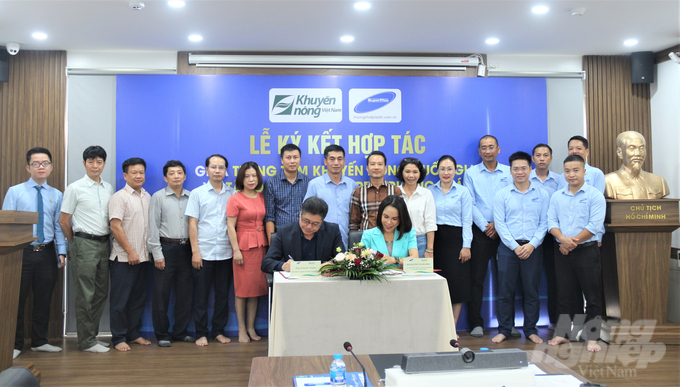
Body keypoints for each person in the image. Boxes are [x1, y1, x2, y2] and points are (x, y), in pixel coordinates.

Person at [3, 147, 66, 360]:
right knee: (17, 299)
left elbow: (58, 226)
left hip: (47, 252)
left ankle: (40, 341)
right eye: (36, 163)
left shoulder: (57, 195)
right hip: (21, 252)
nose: (41, 167)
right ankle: (13, 344)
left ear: (51, 167)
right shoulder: (15, 191)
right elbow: (7, 224)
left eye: (45, 163)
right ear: (28, 167)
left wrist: (62, 252)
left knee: (43, 298)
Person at [547, 155, 606, 353]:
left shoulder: (595, 195)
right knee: (564, 295)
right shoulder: (557, 196)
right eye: (567, 171)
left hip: (587, 251)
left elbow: (594, 225)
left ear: (584, 171)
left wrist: (571, 242)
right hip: (562, 251)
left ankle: (593, 337)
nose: (571, 175)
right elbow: (551, 223)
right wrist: (562, 240)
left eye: (575, 170)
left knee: (592, 296)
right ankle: (563, 334)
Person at [59, 145, 113, 353]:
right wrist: (76, 242)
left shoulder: (108, 188)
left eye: (99, 161)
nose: (95, 165)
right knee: (85, 293)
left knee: (100, 292)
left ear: (104, 164)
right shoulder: (75, 188)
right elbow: (64, 221)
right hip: (84, 243)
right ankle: (86, 341)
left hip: (104, 243)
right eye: (91, 161)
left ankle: (93, 336)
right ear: (84, 163)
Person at [492, 152, 549, 345]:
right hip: (508, 248)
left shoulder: (542, 194)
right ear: (510, 171)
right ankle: (504, 330)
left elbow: (545, 223)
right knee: (505, 291)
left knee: (531, 291)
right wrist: (516, 247)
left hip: (533, 247)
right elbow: (500, 224)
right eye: (515, 168)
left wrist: (532, 244)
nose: (520, 172)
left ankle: (531, 330)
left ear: (530, 169)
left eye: (524, 168)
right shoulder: (502, 195)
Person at [462, 135, 513, 338]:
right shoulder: (471, 173)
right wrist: (485, 226)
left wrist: (499, 226)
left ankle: (507, 324)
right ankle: (476, 323)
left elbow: (512, 201)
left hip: (505, 232)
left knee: (507, 279)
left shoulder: (509, 173)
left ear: (498, 149)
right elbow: (470, 203)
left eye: (491, 147)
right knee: (477, 279)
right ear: (479, 151)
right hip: (480, 232)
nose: (487, 151)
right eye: (483, 148)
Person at [185, 154, 234, 346]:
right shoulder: (197, 193)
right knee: (201, 296)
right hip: (203, 253)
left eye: (221, 167)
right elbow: (192, 224)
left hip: (225, 252)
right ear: (206, 170)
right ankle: (201, 333)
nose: (217, 170)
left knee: (222, 296)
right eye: (213, 167)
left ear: (225, 171)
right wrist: (195, 252)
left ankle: (218, 331)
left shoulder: (232, 194)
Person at [147, 160, 194, 348]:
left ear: (184, 176)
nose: (176, 176)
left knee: (185, 294)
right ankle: (162, 334)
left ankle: (180, 332)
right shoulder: (158, 197)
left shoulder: (192, 197)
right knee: (161, 294)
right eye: (172, 173)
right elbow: (153, 226)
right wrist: (157, 253)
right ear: (166, 177)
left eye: (180, 172)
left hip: (187, 249)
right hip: (166, 248)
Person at [108, 157, 151, 352]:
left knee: (137, 300)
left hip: (143, 259)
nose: (138, 175)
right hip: (124, 259)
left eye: (141, 172)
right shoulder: (119, 197)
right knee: (120, 301)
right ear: (125, 175)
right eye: (134, 172)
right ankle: (118, 338)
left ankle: (133, 334)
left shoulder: (147, 196)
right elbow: (115, 227)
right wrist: (131, 251)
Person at [428, 155, 473, 327]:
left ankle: (452, 327)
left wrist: (466, 246)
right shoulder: (430, 191)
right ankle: (437, 325)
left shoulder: (463, 192)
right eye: (442, 169)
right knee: (437, 282)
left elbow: (467, 221)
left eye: (449, 169)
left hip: (456, 241)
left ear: (456, 171)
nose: (446, 173)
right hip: (435, 240)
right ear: (437, 170)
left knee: (457, 283)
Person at [227, 162, 268, 343]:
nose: (251, 179)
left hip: (261, 247)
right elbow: (230, 226)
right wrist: (236, 250)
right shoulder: (235, 199)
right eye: (247, 176)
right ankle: (241, 329)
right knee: (242, 290)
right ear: (241, 179)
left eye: (254, 176)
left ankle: (251, 327)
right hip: (243, 248)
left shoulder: (261, 196)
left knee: (256, 289)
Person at [261, 196, 344, 273]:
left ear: (322, 221)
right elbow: (266, 263)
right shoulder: (284, 232)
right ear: (300, 213)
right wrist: (283, 266)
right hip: (295, 283)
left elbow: (343, 258)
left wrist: (332, 264)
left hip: (323, 281)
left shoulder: (332, 231)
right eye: (306, 221)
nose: (309, 227)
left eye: (315, 224)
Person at [530, 143, 560, 331]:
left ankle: (556, 321)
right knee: (530, 279)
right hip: (531, 235)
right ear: (532, 159)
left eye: (545, 155)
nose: (542, 158)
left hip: (553, 235)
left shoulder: (559, 180)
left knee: (555, 277)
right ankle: (528, 324)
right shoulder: (525, 178)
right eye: (538, 155)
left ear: (550, 158)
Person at [304, 144, 357, 248]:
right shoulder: (315, 184)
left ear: (344, 161)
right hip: (320, 239)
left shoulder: (352, 185)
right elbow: (306, 213)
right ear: (325, 162)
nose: (336, 163)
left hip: (346, 239)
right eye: (332, 159)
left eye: (339, 159)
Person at [264, 144, 310, 243]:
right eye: (288, 158)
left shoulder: (309, 182)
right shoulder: (271, 183)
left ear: (300, 159)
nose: (292, 161)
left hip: (304, 235)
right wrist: (272, 243)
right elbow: (269, 216)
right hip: (281, 235)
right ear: (282, 160)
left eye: (295, 157)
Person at [604, 131, 670, 199]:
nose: (638, 153)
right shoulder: (608, 181)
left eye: (641, 148)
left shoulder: (660, 181)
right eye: (632, 148)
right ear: (620, 153)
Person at [349, 151, 401, 232]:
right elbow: (354, 223)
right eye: (372, 164)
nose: (376, 167)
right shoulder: (358, 192)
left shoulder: (395, 191)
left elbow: (401, 218)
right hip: (366, 240)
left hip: (390, 239)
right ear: (367, 168)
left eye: (380, 164)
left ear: (385, 168)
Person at [396, 157, 437, 258]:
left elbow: (430, 223)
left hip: (420, 241)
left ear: (420, 173)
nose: (411, 175)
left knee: (419, 274)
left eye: (415, 172)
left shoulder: (426, 194)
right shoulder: (395, 192)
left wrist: (429, 249)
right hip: (398, 240)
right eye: (407, 171)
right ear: (402, 173)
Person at [360, 195, 418, 264]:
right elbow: (361, 260)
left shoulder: (409, 233)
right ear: (380, 214)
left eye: (394, 219)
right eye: (386, 217)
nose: (389, 222)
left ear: (402, 219)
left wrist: (394, 260)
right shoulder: (368, 234)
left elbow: (414, 258)